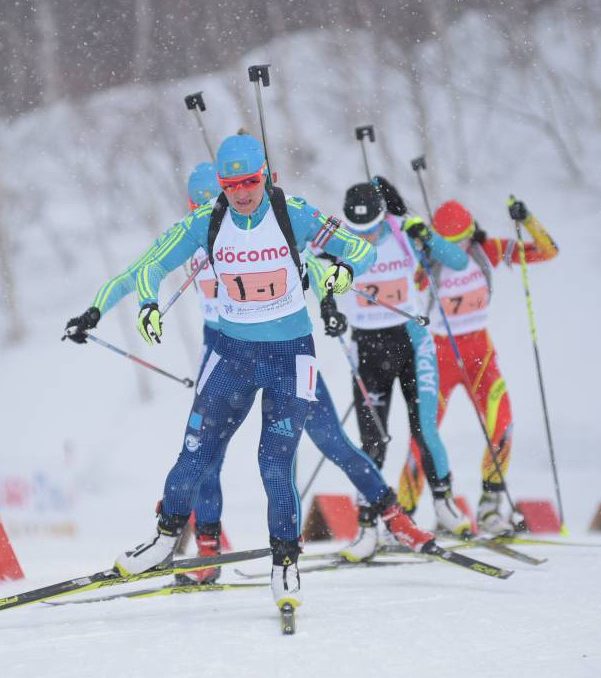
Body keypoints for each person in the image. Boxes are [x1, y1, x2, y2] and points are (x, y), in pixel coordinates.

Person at [90, 135, 444, 615]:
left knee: (274, 464)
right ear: (221, 185)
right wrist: (148, 303)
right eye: (231, 184)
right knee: (196, 454)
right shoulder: (206, 220)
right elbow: (151, 265)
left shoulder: (291, 212)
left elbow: (360, 251)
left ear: (265, 176)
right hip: (232, 354)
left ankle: (285, 563)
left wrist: (340, 273)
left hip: (289, 356)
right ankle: (164, 540)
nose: (241, 193)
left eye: (250, 182)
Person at [320, 178, 472, 560]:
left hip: (411, 342)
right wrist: (328, 304)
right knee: (372, 441)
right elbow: (307, 264)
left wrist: (426, 233)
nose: (366, 238)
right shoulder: (338, 238)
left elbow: (457, 261)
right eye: (359, 231)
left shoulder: (403, 231)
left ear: (383, 216)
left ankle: (443, 504)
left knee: (425, 428)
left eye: (371, 228)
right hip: (367, 348)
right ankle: (369, 526)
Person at [395, 197, 559, 534]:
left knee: (503, 423)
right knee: (423, 435)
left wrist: (527, 219)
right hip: (438, 357)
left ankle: (490, 507)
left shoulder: (489, 251)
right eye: (450, 245)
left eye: (464, 242)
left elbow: (548, 251)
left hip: (479, 355)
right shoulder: (425, 262)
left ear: (473, 234)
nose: (459, 251)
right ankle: (404, 515)